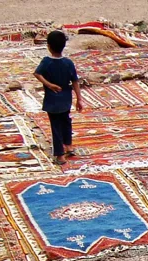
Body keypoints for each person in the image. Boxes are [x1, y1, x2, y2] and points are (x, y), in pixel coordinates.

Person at [34, 30, 83, 164]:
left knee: (56, 126)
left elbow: (37, 74)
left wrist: (49, 85)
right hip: (66, 99)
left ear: (49, 46)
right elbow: (75, 81)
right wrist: (79, 99)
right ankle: (69, 146)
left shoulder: (46, 62)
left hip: (52, 100)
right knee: (66, 122)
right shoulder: (68, 63)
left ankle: (60, 154)